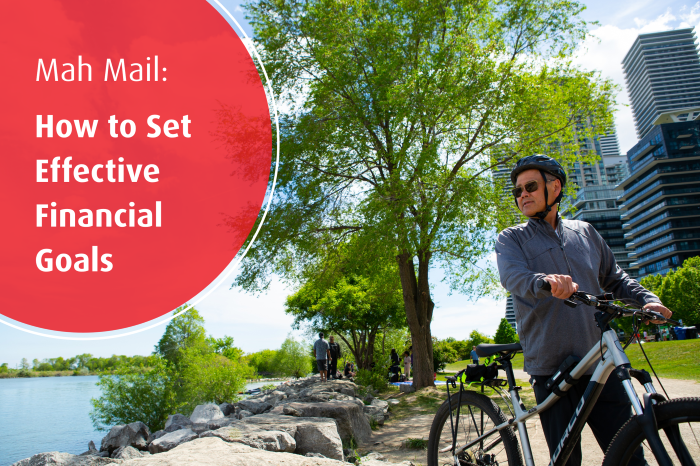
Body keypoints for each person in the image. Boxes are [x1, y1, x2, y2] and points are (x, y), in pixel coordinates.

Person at [495, 155, 672, 466]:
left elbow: (615, 276)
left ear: (555, 186)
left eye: (530, 186)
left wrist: (648, 299)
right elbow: (513, 277)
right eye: (517, 190)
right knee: (567, 462)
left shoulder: (585, 232)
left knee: (630, 457)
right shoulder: (512, 238)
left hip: (600, 363)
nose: (521, 194)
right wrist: (544, 282)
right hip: (550, 367)